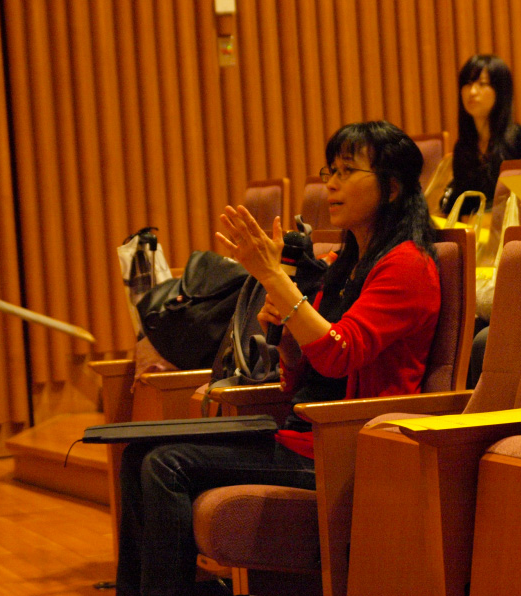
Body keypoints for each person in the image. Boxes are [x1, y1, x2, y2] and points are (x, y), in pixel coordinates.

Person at [115, 120, 441, 596]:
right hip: (301, 434)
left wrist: (276, 280)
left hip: (345, 447)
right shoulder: (343, 264)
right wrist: (287, 333)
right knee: (136, 455)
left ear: (391, 187)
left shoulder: (408, 265)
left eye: (347, 171)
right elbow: (300, 375)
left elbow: (339, 354)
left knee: (167, 465)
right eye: (330, 171)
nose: (331, 184)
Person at [440, 54, 521, 218]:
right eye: (468, 84)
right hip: (475, 230)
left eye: (482, 84)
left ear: (500, 91)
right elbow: (461, 205)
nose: (472, 92)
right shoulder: (463, 147)